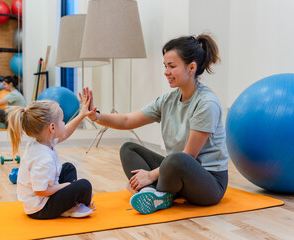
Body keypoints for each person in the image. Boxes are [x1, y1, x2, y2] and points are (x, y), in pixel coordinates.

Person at [82, 34, 228, 215]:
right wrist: (96, 116)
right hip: (176, 172)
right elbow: (128, 120)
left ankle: (155, 190)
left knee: (177, 159)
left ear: (191, 67)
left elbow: (189, 156)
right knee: (129, 148)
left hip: (209, 184)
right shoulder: (168, 100)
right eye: (165, 66)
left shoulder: (207, 104)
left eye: (172, 66)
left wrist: (150, 175)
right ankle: (153, 193)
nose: (166, 72)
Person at [7, 96, 95, 219]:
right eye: (62, 121)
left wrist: (81, 115)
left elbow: (65, 133)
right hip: (40, 209)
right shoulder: (43, 159)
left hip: (43, 198)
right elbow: (40, 191)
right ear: (52, 128)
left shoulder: (40, 141)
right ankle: (69, 207)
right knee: (84, 185)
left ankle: (69, 204)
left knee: (68, 168)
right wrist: (68, 185)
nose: (64, 124)